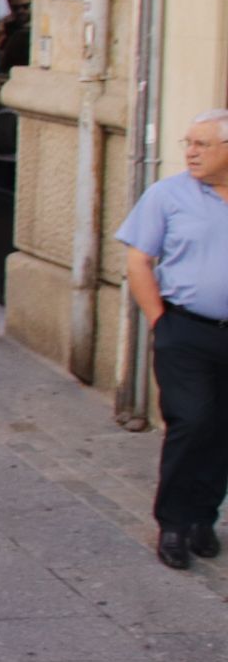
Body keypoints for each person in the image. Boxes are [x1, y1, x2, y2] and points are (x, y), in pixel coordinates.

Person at [116, 111, 228, 570]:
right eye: (189, 142)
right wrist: (160, 321)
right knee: (192, 420)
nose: (191, 152)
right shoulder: (168, 194)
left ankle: (205, 516)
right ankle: (175, 523)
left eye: (203, 144)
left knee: (222, 427)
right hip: (184, 328)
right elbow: (139, 261)